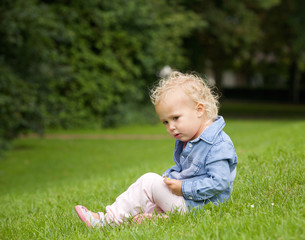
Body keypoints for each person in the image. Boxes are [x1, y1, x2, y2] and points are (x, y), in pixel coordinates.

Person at [74, 71, 238, 229]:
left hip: (199, 208)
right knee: (154, 192)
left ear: (199, 110)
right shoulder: (188, 138)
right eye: (165, 122)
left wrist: (183, 188)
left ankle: (106, 221)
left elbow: (219, 182)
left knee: (149, 182)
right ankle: (160, 219)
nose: (171, 127)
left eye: (175, 118)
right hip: (189, 204)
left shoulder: (218, 144)